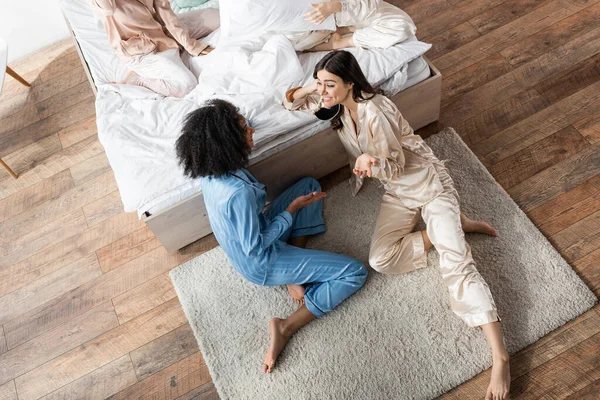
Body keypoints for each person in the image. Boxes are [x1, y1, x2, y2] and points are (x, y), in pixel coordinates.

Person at [284, 50, 510, 400]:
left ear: (350, 83)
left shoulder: (377, 111)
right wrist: (304, 90)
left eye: (329, 84)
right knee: (381, 260)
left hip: (430, 186)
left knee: (457, 265)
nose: (323, 91)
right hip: (400, 194)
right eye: (320, 83)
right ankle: (449, 227)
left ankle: (500, 355)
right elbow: (294, 103)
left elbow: (395, 166)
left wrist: (368, 161)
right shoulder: (337, 102)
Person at [175, 99, 368, 373]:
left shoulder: (214, 171)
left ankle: (294, 275)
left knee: (309, 187)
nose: (251, 129)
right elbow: (254, 248)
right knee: (354, 273)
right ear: (227, 142)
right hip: (261, 261)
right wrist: (289, 210)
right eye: (244, 128)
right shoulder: (236, 194)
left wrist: (289, 211)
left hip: (260, 232)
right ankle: (286, 327)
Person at [91, 0, 218, 97]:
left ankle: (179, 50)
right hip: (143, 51)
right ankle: (136, 79)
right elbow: (107, 9)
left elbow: (165, 12)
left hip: (163, 31)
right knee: (188, 85)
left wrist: (189, 44)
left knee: (215, 16)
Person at [284, 0, 416, 52]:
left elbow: (371, 5)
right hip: (327, 19)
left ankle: (340, 42)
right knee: (296, 44)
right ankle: (342, 30)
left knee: (402, 25)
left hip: (360, 13)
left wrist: (335, 5)